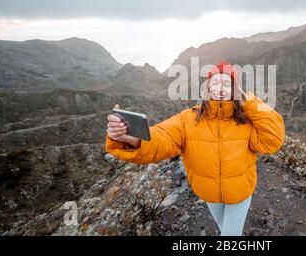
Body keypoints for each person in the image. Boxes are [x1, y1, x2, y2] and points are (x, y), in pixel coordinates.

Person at [106, 60, 285, 235]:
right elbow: (163, 137)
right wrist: (133, 140)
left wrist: (250, 102)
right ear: (207, 88)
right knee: (226, 229)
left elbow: (273, 139)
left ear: (236, 90)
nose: (220, 88)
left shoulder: (247, 121)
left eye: (227, 84)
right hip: (209, 195)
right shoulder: (188, 119)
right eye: (215, 82)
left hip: (240, 194)